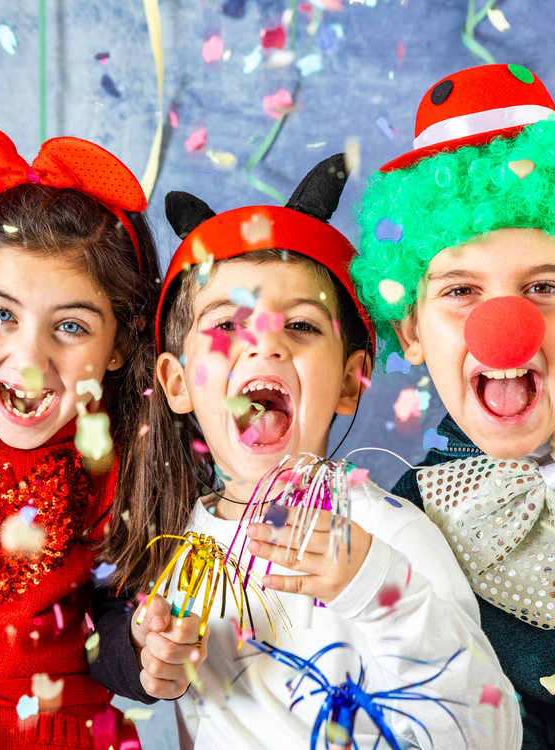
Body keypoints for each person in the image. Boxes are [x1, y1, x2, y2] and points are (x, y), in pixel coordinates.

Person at [90, 154, 522, 750]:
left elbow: (489, 733)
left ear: (351, 381)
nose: (264, 344)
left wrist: (376, 585)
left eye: (300, 327)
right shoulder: (171, 546)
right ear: (177, 382)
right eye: (226, 327)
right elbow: (102, 642)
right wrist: (148, 655)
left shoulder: (387, 533)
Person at [350, 63, 555, 750]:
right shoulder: (416, 522)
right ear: (412, 331)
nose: (505, 326)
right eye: (460, 291)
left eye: (544, 287)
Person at [0, 121, 161, 750]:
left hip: (54, 733)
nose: (29, 361)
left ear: (120, 345)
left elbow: (112, 627)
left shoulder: (129, 453)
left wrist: (148, 653)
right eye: (0, 315)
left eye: (71, 327)